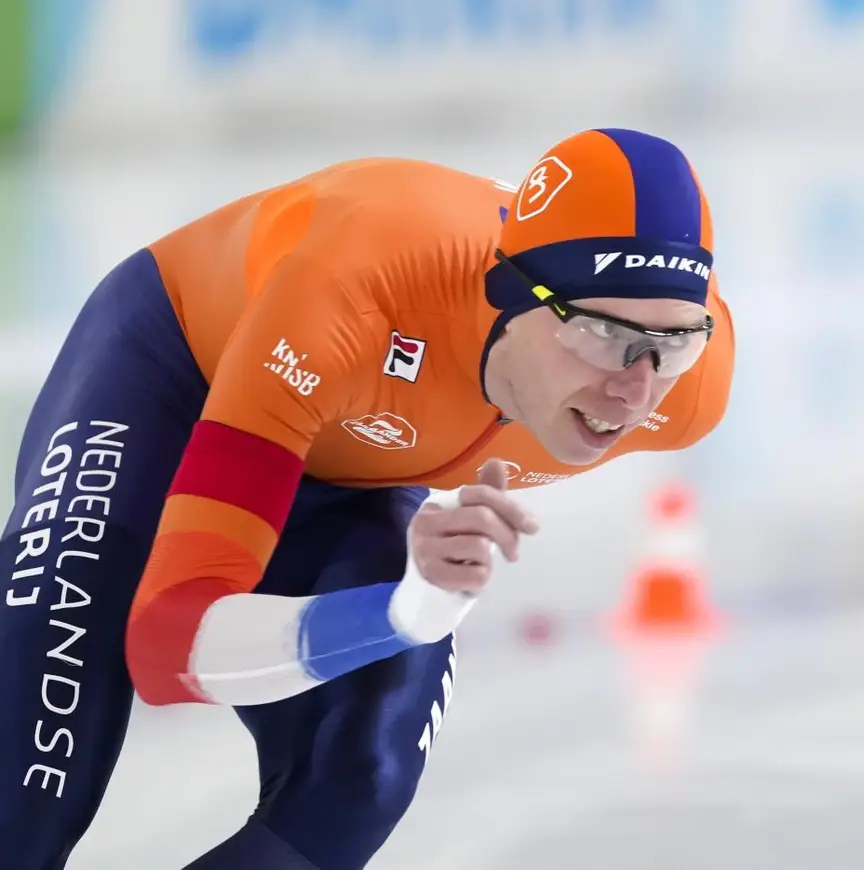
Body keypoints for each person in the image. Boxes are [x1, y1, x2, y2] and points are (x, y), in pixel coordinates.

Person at [0, 127, 734, 869]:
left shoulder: (689, 393)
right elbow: (166, 650)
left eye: (675, 343)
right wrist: (395, 614)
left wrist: (418, 605)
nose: (635, 390)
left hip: (351, 465)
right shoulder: (357, 290)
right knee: (30, 777)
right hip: (173, 384)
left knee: (359, 778)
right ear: (512, 296)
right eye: (604, 334)